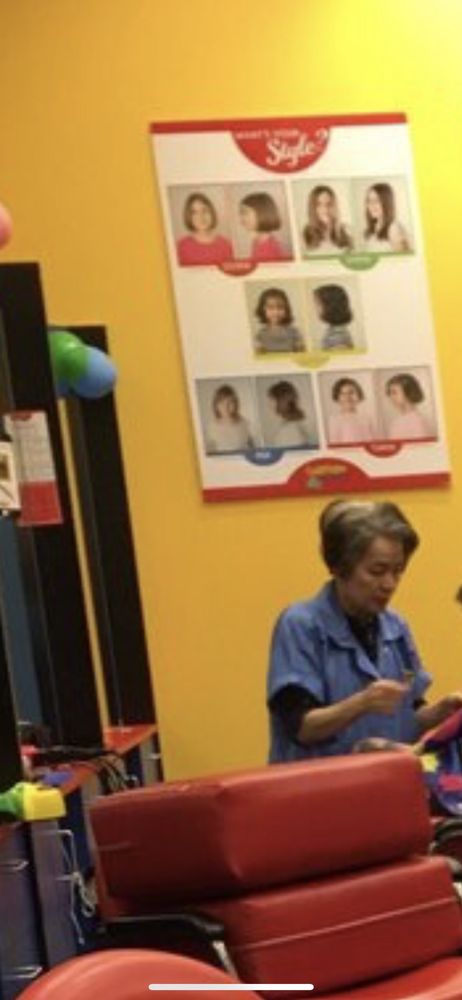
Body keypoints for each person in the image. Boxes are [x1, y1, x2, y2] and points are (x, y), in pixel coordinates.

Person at [267, 499, 462, 763]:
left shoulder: (396, 627)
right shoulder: (301, 625)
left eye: (398, 572)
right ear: (340, 567)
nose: (389, 584)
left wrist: (440, 712)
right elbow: (301, 727)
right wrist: (362, 703)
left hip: (386, 779)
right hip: (319, 782)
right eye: (377, 571)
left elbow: (409, 715)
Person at [176, 192, 233, 266]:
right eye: (194, 212)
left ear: (212, 213)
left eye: (205, 210)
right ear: (189, 216)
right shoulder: (181, 246)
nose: (201, 216)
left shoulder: (225, 245)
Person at [239, 192, 291, 262]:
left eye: (245, 212)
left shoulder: (270, 248)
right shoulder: (257, 242)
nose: (241, 219)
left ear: (260, 212)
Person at [303, 184, 353, 254]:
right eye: (319, 205)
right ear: (313, 208)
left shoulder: (346, 231)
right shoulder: (305, 234)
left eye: (329, 204)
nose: (325, 209)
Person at [362, 182, 411, 253]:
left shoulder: (394, 228)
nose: (371, 205)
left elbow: (403, 257)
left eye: (376, 201)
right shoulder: (371, 229)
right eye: (369, 201)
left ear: (386, 202)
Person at [205, 384, 254, 454]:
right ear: (216, 406)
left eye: (230, 402)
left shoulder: (245, 424)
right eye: (221, 403)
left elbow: (253, 449)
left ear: (236, 404)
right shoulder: (211, 428)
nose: (226, 407)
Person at [254, 288, 305, 354]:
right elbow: (258, 355)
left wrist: (300, 346)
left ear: (286, 309)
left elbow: (301, 353)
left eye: (280, 307)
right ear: (263, 310)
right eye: (271, 308)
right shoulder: (260, 335)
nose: (276, 312)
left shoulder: (294, 332)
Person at [266, 380, 315, 449]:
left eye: (272, 400)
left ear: (282, 401)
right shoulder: (295, 424)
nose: (269, 404)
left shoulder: (289, 430)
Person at [328, 377, 376, 444]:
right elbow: (334, 444)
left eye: (351, 392)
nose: (347, 397)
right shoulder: (334, 419)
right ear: (337, 397)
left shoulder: (366, 418)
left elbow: (372, 441)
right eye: (342, 394)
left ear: (359, 394)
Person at [385, 373, 431, 440]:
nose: (391, 397)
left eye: (394, 392)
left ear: (408, 393)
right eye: (389, 393)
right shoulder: (396, 421)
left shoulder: (417, 422)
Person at [313, 284, 354, 350]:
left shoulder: (337, 336)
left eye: (318, 304)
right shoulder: (335, 331)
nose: (315, 309)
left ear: (330, 306)